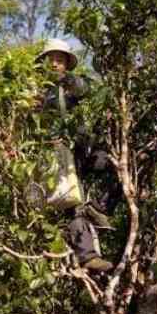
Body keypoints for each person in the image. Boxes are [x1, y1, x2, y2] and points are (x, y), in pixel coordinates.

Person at [34, 39, 115, 272]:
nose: (55, 64)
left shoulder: (74, 85)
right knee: (72, 204)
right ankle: (87, 256)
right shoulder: (40, 93)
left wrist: (66, 80)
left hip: (83, 148)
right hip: (59, 156)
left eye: (60, 60)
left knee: (109, 166)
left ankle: (98, 208)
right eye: (51, 60)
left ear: (67, 64)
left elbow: (86, 89)